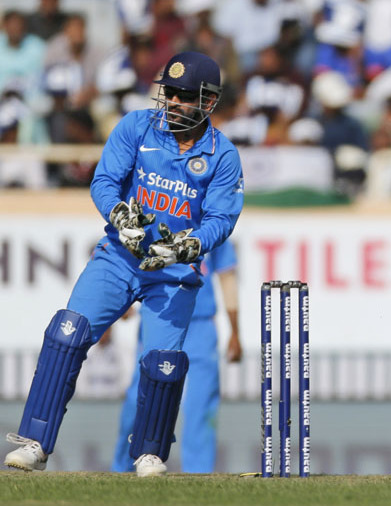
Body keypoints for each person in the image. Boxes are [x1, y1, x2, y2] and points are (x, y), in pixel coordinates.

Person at [4, 51, 244, 477]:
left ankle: (149, 453)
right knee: (67, 332)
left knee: (162, 362)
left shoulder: (222, 155)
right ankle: (36, 442)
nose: (172, 102)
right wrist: (119, 215)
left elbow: (221, 219)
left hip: (172, 272)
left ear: (207, 101)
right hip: (119, 256)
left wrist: (187, 246)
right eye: (169, 92)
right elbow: (104, 182)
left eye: (183, 95)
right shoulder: (136, 126)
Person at [111, 239, 242, 473]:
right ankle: (123, 469)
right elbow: (122, 258)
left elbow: (227, 276)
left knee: (201, 403)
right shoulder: (154, 220)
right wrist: (120, 297)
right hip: (159, 318)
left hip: (200, 324)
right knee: (139, 399)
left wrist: (235, 332)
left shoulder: (212, 225)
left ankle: (198, 473)